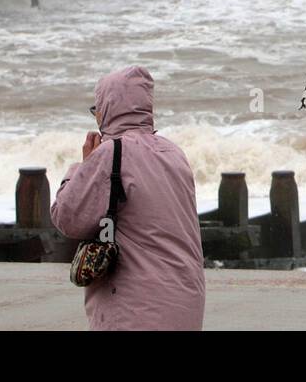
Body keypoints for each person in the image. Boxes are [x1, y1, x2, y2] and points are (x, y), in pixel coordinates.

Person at [51, 66, 206, 330]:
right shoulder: (174, 152)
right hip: (185, 298)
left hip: (136, 307)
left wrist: (81, 167)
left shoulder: (111, 153)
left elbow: (67, 218)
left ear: (107, 110)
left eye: (95, 109)